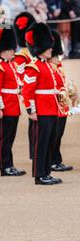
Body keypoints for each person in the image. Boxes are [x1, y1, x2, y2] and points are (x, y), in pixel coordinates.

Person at [22, 23, 62, 185]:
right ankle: (39, 174)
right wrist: (31, 110)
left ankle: (46, 172)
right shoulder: (34, 67)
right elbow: (27, 91)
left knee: (50, 142)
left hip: (51, 109)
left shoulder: (47, 66)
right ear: (39, 47)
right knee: (42, 143)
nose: (51, 49)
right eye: (47, 47)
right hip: (41, 110)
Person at [0, 27, 26, 177]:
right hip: (5, 106)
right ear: (1, 50)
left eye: (12, 49)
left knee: (10, 138)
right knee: (4, 138)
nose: (12, 52)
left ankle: (9, 164)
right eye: (9, 50)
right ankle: (5, 166)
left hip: (13, 105)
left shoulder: (12, 65)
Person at [49, 30, 74, 172]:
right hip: (53, 105)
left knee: (59, 135)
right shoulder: (49, 68)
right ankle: (52, 161)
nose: (59, 58)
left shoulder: (58, 67)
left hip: (62, 105)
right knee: (54, 135)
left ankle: (56, 159)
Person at [13, 12, 37, 161]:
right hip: (29, 90)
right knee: (34, 123)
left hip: (36, 89)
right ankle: (34, 152)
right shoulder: (22, 54)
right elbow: (20, 75)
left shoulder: (34, 51)